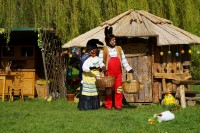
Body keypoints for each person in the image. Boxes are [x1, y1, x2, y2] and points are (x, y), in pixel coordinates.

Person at [99, 26, 133, 110]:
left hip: (118, 73)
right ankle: (108, 105)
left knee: (119, 89)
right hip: (108, 73)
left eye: (115, 39)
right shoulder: (104, 49)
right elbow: (100, 61)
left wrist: (129, 68)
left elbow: (123, 59)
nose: (114, 41)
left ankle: (118, 105)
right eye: (112, 40)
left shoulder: (119, 49)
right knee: (108, 90)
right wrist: (103, 67)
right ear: (108, 41)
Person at [78, 39, 103, 110]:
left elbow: (100, 63)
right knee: (86, 93)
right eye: (92, 49)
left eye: (95, 49)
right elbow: (83, 68)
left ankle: (94, 106)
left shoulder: (97, 58)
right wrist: (91, 68)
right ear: (88, 50)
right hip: (86, 78)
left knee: (94, 92)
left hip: (94, 79)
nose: (94, 51)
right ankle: (85, 107)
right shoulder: (85, 58)